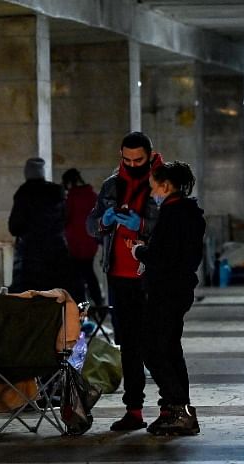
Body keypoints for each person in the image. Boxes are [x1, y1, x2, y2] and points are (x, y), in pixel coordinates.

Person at [87, 131, 164, 432]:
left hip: (150, 277)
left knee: (155, 345)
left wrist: (143, 225)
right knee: (128, 346)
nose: (132, 165)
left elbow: (172, 226)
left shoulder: (162, 182)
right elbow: (91, 225)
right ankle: (134, 410)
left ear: (149, 155)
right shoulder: (111, 185)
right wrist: (104, 222)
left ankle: (172, 405)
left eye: (139, 160)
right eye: (127, 159)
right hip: (118, 276)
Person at [133, 161, 205, 436]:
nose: (153, 194)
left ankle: (177, 407)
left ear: (165, 186)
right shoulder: (191, 212)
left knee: (153, 349)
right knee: (170, 347)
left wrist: (140, 253)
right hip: (181, 288)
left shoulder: (173, 213)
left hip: (166, 290)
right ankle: (181, 409)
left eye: (154, 188)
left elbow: (163, 256)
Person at [8, 158, 78, 300]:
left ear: (27, 173)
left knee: (34, 296)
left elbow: (14, 226)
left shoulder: (24, 193)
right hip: (58, 252)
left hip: (32, 255)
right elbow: (66, 219)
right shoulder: (57, 192)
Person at [62, 168, 103, 309]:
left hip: (75, 243)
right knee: (90, 274)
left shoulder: (71, 197)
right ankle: (99, 304)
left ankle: (80, 307)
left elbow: (66, 218)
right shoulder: (92, 195)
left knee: (76, 277)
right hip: (90, 242)